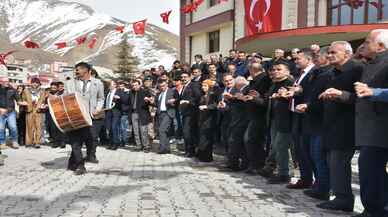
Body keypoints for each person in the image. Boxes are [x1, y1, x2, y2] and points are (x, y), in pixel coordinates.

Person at [316, 41, 364, 212]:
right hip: (330, 124)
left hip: (348, 126)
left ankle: (344, 199)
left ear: (347, 54)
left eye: (334, 52)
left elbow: (362, 98)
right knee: (332, 162)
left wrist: (340, 95)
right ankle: (340, 196)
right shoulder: (331, 73)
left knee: (338, 162)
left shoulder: (357, 70)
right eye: (328, 52)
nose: (329, 55)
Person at [352, 29, 388, 217]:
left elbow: (375, 92)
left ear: (380, 46)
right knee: (370, 170)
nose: (363, 45)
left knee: (371, 170)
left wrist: (373, 92)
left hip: (380, 128)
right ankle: (373, 209)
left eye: (367, 41)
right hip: (370, 128)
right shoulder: (370, 64)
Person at [64, 62, 105, 175]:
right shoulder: (69, 83)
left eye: (80, 69)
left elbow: (101, 98)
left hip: (89, 117)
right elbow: (65, 97)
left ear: (87, 71)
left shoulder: (98, 83)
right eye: (76, 69)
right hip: (74, 116)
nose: (77, 71)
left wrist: (97, 108)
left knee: (86, 140)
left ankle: (73, 162)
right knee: (75, 142)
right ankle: (80, 165)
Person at [265, 61, 294, 184]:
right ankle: (279, 170)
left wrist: (284, 96)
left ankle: (284, 173)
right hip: (274, 119)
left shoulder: (291, 83)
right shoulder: (274, 84)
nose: (275, 71)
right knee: (276, 146)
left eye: (279, 69)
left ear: (287, 71)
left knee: (281, 146)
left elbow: (292, 99)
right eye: (274, 69)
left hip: (286, 120)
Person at [242, 62, 272, 175]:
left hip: (259, 115)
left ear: (251, 70)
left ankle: (257, 165)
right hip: (254, 114)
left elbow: (261, 98)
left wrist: (252, 97)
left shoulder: (263, 80)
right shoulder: (256, 80)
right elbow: (247, 91)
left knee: (252, 140)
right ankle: (255, 164)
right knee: (253, 140)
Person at [179, 71, 202, 157]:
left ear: (190, 77)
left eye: (185, 77)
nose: (183, 79)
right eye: (182, 77)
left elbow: (198, 97)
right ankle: (188, 150)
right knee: (187, 132)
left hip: (192, 113)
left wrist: (188, 102)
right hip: (185, 112)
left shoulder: (193, 85)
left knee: (188, 132)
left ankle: (191, 151)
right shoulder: (184, 86)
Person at [153, 79, 178, 154]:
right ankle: (167, 149)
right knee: (165, 131)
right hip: (160, 113)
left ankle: (162, 148)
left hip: (168, 112)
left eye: (163, 86)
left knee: (161, 130)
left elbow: (178, 100)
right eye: (160, 86)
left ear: (167, 84)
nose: (162, 87)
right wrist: (151, 102)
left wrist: (174, 101)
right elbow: (157, 104)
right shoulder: (159, 93)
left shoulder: (173, 91)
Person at [196, 79, 218, 162]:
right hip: (202, 119)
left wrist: (207, 107)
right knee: (202, 137)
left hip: (209, 119)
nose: (203, 87)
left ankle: (207, 157)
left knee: (207, 138)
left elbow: (216, 105)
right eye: (202, 86)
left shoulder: (212, 95)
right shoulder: (202, 95)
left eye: (205, 86)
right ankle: (201, 154)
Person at [22, 78, 47, 149]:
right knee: (29, 126)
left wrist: (42, 105)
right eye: (33, 82)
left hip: (38, 110)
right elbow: (23, 99)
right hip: (29, 109)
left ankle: (37, 142)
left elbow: (43, 100)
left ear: (39, 83)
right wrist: (26, 104)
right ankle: (29, 142)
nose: (35, 84)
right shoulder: (26, 90)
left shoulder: (42, 91)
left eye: (36, 83)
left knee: (38, 126)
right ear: (31, 83)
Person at [129, 79, 152, 152]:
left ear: (139, 85)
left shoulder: (145, 91)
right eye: (133, 85)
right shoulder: (131, 92)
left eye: (136, 85)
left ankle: (146, 146)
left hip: (142, 113)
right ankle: (138, 146)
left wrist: (148, 100)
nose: (134, 86)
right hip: (133, 113)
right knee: (136, 131)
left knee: (143, 131)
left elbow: (150, 101)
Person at [0, 79, 19, 149]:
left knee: (13, 127)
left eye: (8, 81)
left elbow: (18, 99)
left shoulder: (12, 90)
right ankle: (2, 143)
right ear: (1, 82)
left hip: (11, 112)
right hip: (0, 112)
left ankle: (14, 141)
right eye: (5, 81)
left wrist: (22, 102)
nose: (7, 83)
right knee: (1, 128)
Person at [105, 80, 121, 150]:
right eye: (109, 85)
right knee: (109, 128)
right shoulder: (108, 93)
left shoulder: (119, 92)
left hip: (115, 112)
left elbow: (124, 99)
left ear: (115, 85)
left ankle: (115, 143)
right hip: (108, 111)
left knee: (114, 127)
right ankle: (111, 143)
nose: (109, 86)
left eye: (111, 85)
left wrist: (119, 98)